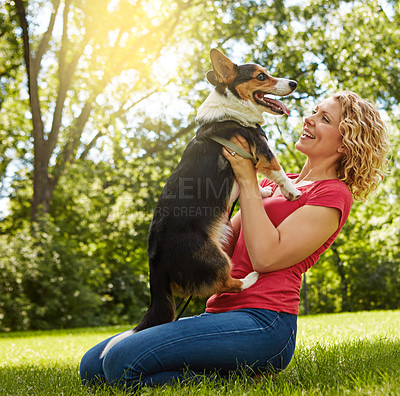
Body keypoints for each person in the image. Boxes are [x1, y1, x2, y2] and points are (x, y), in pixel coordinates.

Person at [79, 91, 389, 388]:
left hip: (264, 323)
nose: (309, 119)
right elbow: (222, 244)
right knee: (92, 366)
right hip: (220, 314)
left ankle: (238, 377)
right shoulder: (279, 183)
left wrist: (247, 180)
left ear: (346, 144)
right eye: (314, 112)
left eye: (324, 119)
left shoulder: (333, 194)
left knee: (120, 364)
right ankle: (221, 366)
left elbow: (266, 257)